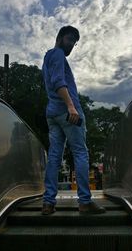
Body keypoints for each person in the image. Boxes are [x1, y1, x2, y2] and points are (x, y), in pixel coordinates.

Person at [41, 25, 106, 215]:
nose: (71, 45)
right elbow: (59, 82)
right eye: (70, 40)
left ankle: (48, 203)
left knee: (54, 156)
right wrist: (71, 106)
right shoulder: (57, 54)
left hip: (52, 113)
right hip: (68, 112)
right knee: (80, 153)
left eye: (74, 43)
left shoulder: (48, 59)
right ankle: (85, 202)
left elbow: (52, 82)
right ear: (60, 37)